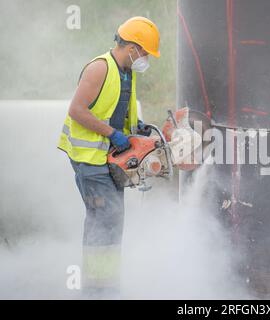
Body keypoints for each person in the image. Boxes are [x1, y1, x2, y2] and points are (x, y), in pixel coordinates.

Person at [57, 16, 160, 298]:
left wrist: (134, 127)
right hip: (90, 158)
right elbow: (77, 110)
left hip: (107, 158)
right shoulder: (100, 68)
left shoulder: (126, 71)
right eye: (146, 53)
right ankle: (96, 290)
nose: (146, 58)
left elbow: (116, 107)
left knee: (111, 220)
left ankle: (105, 286)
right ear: (133, 48)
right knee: (104, 220)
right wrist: (112, 134)